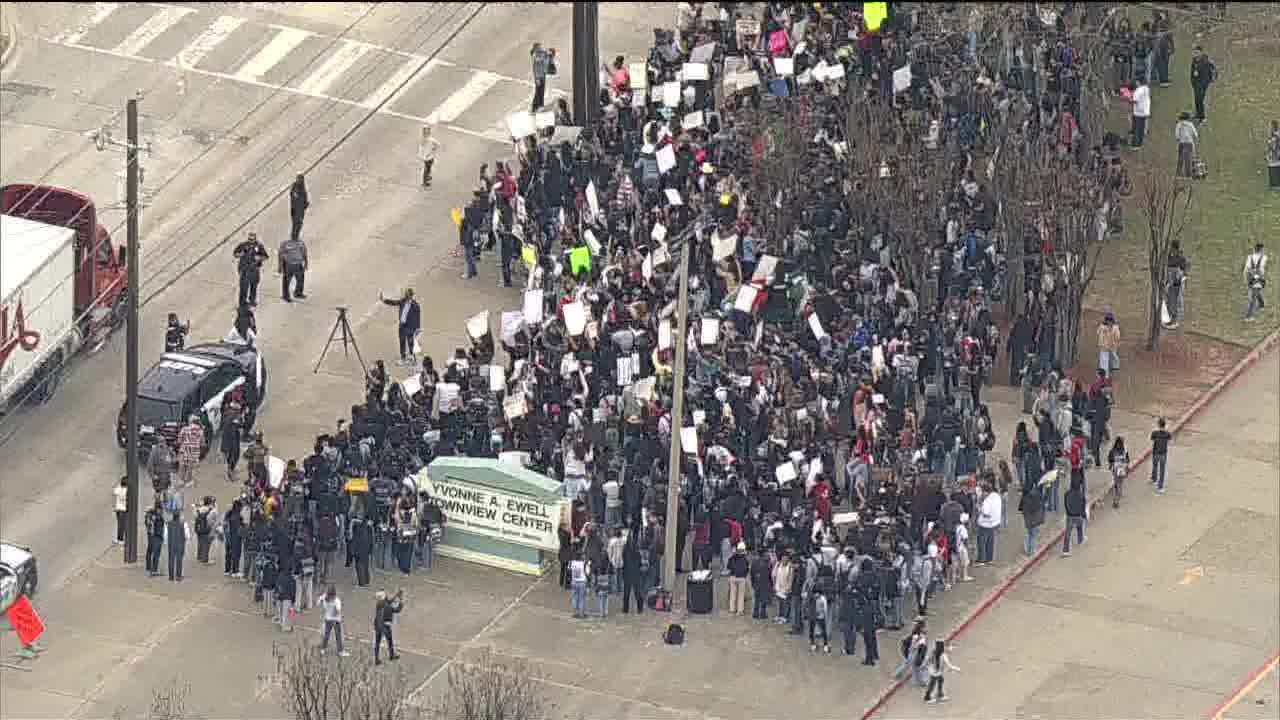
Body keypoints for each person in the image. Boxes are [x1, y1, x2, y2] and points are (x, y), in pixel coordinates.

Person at [380, 289, 421, 366]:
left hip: (410, 327)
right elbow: (394, 303)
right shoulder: (403, 301)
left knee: (410, 343)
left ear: (411, 296)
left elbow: (417, 317)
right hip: (401, 326)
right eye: (405, 294)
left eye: (407, 294)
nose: (405, 295)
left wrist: (418, 329)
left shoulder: (416, 306)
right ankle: (403, 358)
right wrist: (384, 300)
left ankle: (413, 359)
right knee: (402, 342)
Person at [232, 232, 269, 307]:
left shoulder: (259, 246)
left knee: (254, 286)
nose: (251, 241)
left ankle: (252, 300)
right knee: (243, 287)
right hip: (244, 270)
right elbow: (235, 253)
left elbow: (266, 256)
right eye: (249, 239)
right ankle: (242, 302)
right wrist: (240, 254)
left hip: (254, 269)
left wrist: (259, 258)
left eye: (252, 240)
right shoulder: (243, 245)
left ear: (255, 239)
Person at [923, 639, 960, 703]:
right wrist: (957, 669)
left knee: (939, 681)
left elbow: (927, 660)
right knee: (933, 684)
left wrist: (926, 666)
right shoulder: (943, 655)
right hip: (936, 672)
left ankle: (939, 694)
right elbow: (949, 665)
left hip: (933, 671)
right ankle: (927, 697)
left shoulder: (934, 652)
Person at [372, 589, 403, 664]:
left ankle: (376, 659)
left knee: (377, 642)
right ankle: (392, 655)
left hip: (377, 625)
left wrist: (396, 595)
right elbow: (397, 610)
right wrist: (401, 601)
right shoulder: (387, 607)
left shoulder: (379, 604)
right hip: (385, 626)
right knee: (389, 641)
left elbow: (389, 601)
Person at [319, 586, 350, 656]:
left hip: (327, 619)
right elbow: (337, 610)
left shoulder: (324, 597)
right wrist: (338, 615)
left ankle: (323, 649)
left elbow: (319, 601)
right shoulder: (337, 600)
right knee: (338, 636)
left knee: (326, 635)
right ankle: (340, 651)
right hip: (336, 621)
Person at [975, 481, 1000, 565]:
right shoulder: (996, 496)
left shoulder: (987, 501)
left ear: (985, 492)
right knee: (990, 541)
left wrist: (979, 508)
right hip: (995, 523)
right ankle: (989, 558)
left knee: (981, 541)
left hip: (985, 524)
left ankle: (981, 559)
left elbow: (986, 514)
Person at [278, 232, 308, 302]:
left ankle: (298, 293)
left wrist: (306, 263)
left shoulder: (301, 243)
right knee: (286, 281)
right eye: (293, 235)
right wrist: (280, 266)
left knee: (300, 279)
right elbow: (280, 254)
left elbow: (304, 253)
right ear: (291, 236)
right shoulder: (285, 243)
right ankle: (285, 296)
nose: (295, 236)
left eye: (296, 235)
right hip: (288, 265)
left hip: (298, 264)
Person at [1189, 46, 1216, 123]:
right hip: (1196, 84)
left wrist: (1204, 84)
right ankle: (1198, 114)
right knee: (1196, 100)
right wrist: (1192, 81)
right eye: (1194, 52)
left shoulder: (1205, 62)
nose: (1195, 54)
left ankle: (1202, 117)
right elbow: (1192, 71)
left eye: (1197, 52)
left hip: (1202, 84)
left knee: (1200, 99)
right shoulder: (1194, 60)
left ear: (1201, 52)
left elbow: (1208, 74)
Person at [176, 415, 203, 488]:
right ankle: (188, 481)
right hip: (194, 453)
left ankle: (181, 481)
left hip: (184, 450)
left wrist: (182, 443)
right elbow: (202, 443)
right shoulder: (200, 431)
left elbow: (179, 440)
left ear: (190, 421)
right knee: (190, 467)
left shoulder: (184, 429)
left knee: (182, 466)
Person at [1061, 481, 1087, 556]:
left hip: (1070, 515)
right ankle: (1080, 539)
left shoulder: (1067, 494)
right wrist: (1083, 515)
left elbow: (1065, 504)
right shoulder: (1081, 495)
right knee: (1080, 527)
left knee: (1068, 532)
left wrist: (1068, 512)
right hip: (1078, 515)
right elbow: (1083, 506)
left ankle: (1065, 550)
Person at [1244, 243, 1268, 321]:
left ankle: (1261, 304)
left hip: (1251, 278)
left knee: (1255, 292)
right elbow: (1262, 268)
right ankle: (1249, 316)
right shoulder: (1264, 257)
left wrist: (1247, 279)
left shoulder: (1249, 257)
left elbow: (1247, 269)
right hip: (1258, 279)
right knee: (1253, 298)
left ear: (1254, 249)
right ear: (1261, 250)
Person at [727, 541, 750, 615]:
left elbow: (728, 566)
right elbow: (747, 569)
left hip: (733, 577)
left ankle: (732, 609)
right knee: (741, 595)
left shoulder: (732, 558)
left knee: (732, 594)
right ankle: (740, 610)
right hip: (742, 578)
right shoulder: (745, 559)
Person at [1150, 417, 1172, 494]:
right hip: (1163, 454)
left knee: (1154, 466)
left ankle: (1153, 478)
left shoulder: (1154, 433)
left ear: (1158, 425)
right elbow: (1169, 441)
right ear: (1165, 425)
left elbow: (1152, 442)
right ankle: (1160, 487)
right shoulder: (1167, 434)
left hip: (1155, 453)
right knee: (1162, 470)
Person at [530, 43, 555, 111]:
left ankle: (540, 105)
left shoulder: (541, 54)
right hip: (539, 76)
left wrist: (550, 53)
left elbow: (546, 57)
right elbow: (536, 68)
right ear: (536, 48)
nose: (541, 48)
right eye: (539, 47)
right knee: (538, 92)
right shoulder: (536, 56)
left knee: (541, 91)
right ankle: (534, 107)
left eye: (541, 47)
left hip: (542, 75)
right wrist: (537, 79)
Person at [145, 495, 165, 576]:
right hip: (156, 535)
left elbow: (147, 523)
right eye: (161, 509)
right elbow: (158, 526)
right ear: (158, 509)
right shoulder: (157, 517)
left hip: (150, 534)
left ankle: (148, 566)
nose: (162, 511)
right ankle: (154, 569)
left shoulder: (149, 514)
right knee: (156, 552)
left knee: (150, 550)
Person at [1174, 111, 1199, 178]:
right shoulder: (1190, 124)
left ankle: (1179, 173)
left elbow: (1177, 135)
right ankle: (1188, 174)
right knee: (1189, 158)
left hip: (1182, 143)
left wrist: (1178, 139)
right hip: (1189, 143)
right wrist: (1195, 139)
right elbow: (1195, 134)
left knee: (1180, 158)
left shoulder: (1179, 124)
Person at [1108, 437, 1131, 509]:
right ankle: (1119, 494)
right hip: (1122, 468)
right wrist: (1126, 466)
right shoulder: (1124, 450)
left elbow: (1110, 459)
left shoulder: (1112, 450)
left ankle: (1116, 500)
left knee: (1116, 483)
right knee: (1120, 482)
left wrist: (1111, 465)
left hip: (1115, 468)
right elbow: (1127, 460)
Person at [223, 499, 244, 577]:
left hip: (228, 538)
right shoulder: (238, 516)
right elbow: (241, 527)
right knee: (236, 554)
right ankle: (235, 571)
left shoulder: (228, 514)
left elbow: (224, 525)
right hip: (235, 538)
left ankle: (227, 570)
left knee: (228, 554)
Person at [194, 495, 217, 564]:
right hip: (206, 529)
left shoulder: (199, 509)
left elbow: (195, 516)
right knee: (206, 544)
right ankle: (204, 559)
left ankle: (199, 557)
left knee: (200, 543)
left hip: (199, 528)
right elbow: (212, 520)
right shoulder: (212, 510)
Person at [1129, 77, 1151, 149]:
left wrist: (1129, 98)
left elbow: (1135, 100)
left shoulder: (1139, 90)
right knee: (1141, 128)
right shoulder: (1146, 88)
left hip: (1138, 112)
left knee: (1137, 129)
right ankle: (1140, 143)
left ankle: (1135, 144)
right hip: (1145, 111)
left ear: (1139, 82)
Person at [568, 551, 588, 619]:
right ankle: (581, 614)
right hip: (582, 582)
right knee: (582, 598)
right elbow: (587, 572)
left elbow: (569, 570)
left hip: (574, 581)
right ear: (581, 557)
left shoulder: (571, 562)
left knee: (574, 597)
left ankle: (575, 613)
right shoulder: (584, 563)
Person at [289, 173, 309, 242]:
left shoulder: (302, 188)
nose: (301, 180)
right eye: (299, 179)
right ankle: (294, 238)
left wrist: (305, 203)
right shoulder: (295, 187)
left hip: (300, 210)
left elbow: (304, 197)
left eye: (301, 179)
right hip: (296, 210)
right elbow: (293, 195)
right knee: (296, 224)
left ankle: (295, 237)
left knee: (299, 224)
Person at [113, 477, 128, 544]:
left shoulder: (119, 489)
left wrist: (119, 484)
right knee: (122, 525)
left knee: (119, 524)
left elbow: (114, 491)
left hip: (118, 509)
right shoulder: (127, 490)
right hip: (123, 509)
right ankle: (120, 539)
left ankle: (119, 538)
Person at [1267, 120, 1280, 190]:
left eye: (1270, 127)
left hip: (1276, 161)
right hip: (1274, 161)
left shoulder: (1275, 137)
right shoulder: (1274, 136)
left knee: (1276, 185)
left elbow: (1274, 148)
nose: (1268, 129)